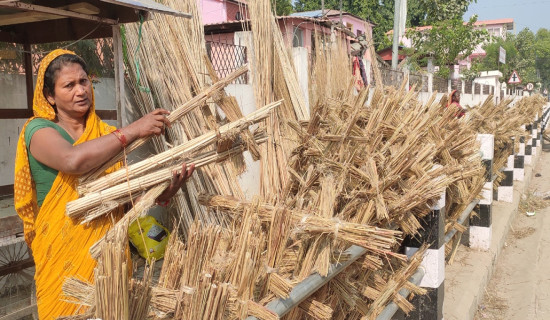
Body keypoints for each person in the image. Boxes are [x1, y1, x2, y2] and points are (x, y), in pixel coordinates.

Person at [13, 49, 195, 319]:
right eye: (69, 85)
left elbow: (125, 200)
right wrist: (133, 130)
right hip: (62, 262)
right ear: (49, 96)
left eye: (84, 81)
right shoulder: (38, 131)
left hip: (109, 259)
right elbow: (73, 160)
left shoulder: (106, 135)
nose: (80, 90)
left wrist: (163, 193)